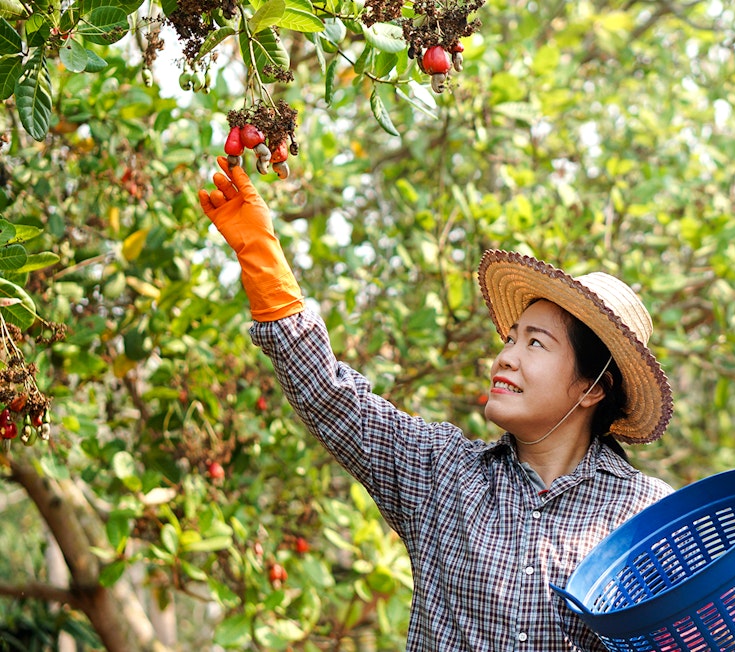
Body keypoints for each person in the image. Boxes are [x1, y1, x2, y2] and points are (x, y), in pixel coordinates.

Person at [197, 157, 675, 651]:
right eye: (510, 339)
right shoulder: (441, 473)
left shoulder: (649, 514)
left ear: (593, 387)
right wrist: (260, 254)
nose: (504, 358)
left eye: (535, 344)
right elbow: (333, 397)